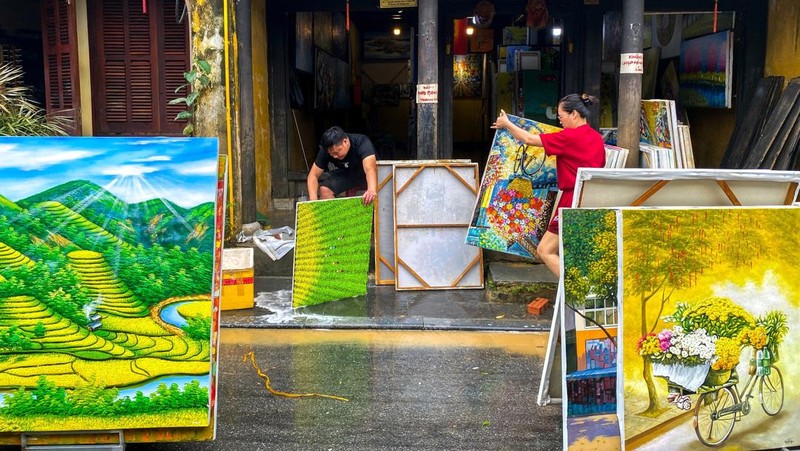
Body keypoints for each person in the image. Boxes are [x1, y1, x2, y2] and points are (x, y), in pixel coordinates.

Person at [491, 93, 605, 277]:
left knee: (545, 250)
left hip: (572, 199)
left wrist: (507, 124)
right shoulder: (596, 137)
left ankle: (576, 289)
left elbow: (529, 140)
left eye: (561, 117)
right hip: (594, 197)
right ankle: (583, 292)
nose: (560, 122)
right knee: (578, 251)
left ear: (573, 114)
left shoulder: (568, 137)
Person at [307, 126, 378, 205]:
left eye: (337, 152)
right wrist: (313, 201)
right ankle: (334, 216)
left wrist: (371, 189)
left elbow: (370, 168)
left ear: (345, 141)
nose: (335, 156)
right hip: (348, 174)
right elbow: (313, 175)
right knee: (325, 189)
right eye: (332, 154)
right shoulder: (326, 150)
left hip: (369, 174)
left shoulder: (362, 142)